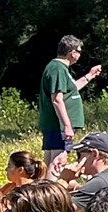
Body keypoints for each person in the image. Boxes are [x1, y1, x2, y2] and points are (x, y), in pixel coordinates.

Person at [38, 35, 103, 176]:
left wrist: (90, 75)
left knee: (51, 162)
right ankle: (49, 196)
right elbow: (57, 99)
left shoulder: (59, 69)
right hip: (58, 126)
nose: (79, 54)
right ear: (72, 52)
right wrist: (67, 126)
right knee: (57, 164)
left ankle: (45, 192)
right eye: (79, 51)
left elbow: (71, 89)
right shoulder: (57, 69)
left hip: (58, 126)